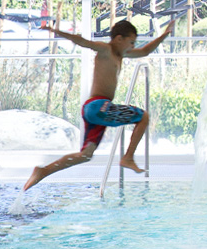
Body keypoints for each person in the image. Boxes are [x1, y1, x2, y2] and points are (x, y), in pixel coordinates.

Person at [23, 17, 174, 190]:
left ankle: (43, 171)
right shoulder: (105, 50)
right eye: (131, 42)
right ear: (119, 39)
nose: (133, 47)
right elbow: (82, 42)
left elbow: (145, 51)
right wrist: (56, 32)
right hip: (98, 107)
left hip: (93, 109)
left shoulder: (122, 54)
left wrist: (165, 35)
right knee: (143, 117)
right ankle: (128, 157)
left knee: (86, 155)